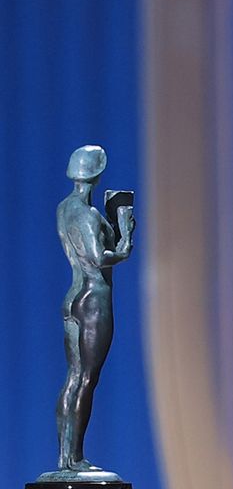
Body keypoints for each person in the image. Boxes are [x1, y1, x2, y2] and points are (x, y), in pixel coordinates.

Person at [55, 145, 135, 472]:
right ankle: (73, 459)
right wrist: (126, 240)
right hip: (93, 297)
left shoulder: (65, 208)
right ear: (96, 174)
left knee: (74, 377)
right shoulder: (86, 216)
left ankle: (66, 456)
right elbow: (98, 257)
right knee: (87, 379)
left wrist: (113, 228)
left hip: (74, 297)